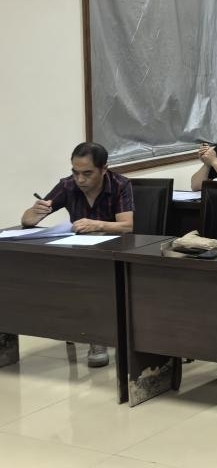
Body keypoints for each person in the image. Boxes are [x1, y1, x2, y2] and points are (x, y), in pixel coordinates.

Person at [22, 142, 134, 369]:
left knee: (93, 277)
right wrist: (33, 213)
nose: (80, 179)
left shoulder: (120, 184)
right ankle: (83, 328)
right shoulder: (67, 185)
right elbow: (28, 220)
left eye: (87, 173)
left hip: (115, 252)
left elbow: (128, 225)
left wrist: (98, 224)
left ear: (104, 169)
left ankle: (97, 338)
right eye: (75, 172)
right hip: (81, 253)